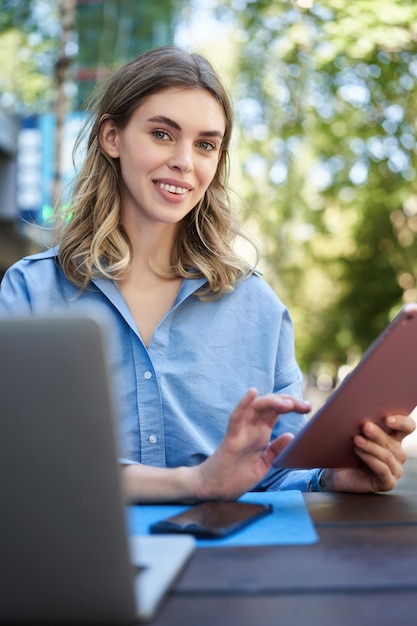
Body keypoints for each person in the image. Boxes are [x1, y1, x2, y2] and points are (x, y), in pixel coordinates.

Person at [0, 46, 414, 503]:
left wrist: (330, 477)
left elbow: (274, 469)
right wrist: (195, 483)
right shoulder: (31, 292)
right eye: (162, 134)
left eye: (205, 144)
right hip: (74, 564)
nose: (185, 161)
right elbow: (23, 460)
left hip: (230, 568)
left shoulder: (255, 305)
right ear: (111, 137)